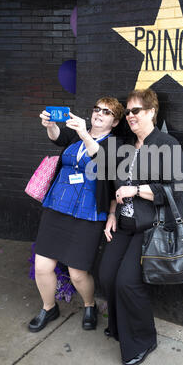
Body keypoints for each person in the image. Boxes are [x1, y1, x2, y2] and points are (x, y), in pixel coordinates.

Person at [99, 88, 183, 365]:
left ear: (151, 112)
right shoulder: (126, 145)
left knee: (127, 282)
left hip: (151, 227)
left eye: (135, 111)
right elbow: (116, 186)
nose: (130, 116)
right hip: (124, 223)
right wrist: (113, 212)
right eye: (127, 112)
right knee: (106, 275)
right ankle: (118, 328)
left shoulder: (167, 144)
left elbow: (175, 190)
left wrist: (136, 190)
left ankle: (143, 340)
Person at [28, 97, 124, 333]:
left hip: (88, 214)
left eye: (107, 112)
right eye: (97, 109)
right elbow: (58, 138)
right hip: (57, 207)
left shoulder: (117, 145)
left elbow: (102, 162)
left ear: (115, 121)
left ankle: (89, 305)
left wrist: (84, 133)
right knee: (42, 266)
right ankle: (49, 308)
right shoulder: (76, 134)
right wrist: (50, 125)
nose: (99, 114)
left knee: (77, 273)